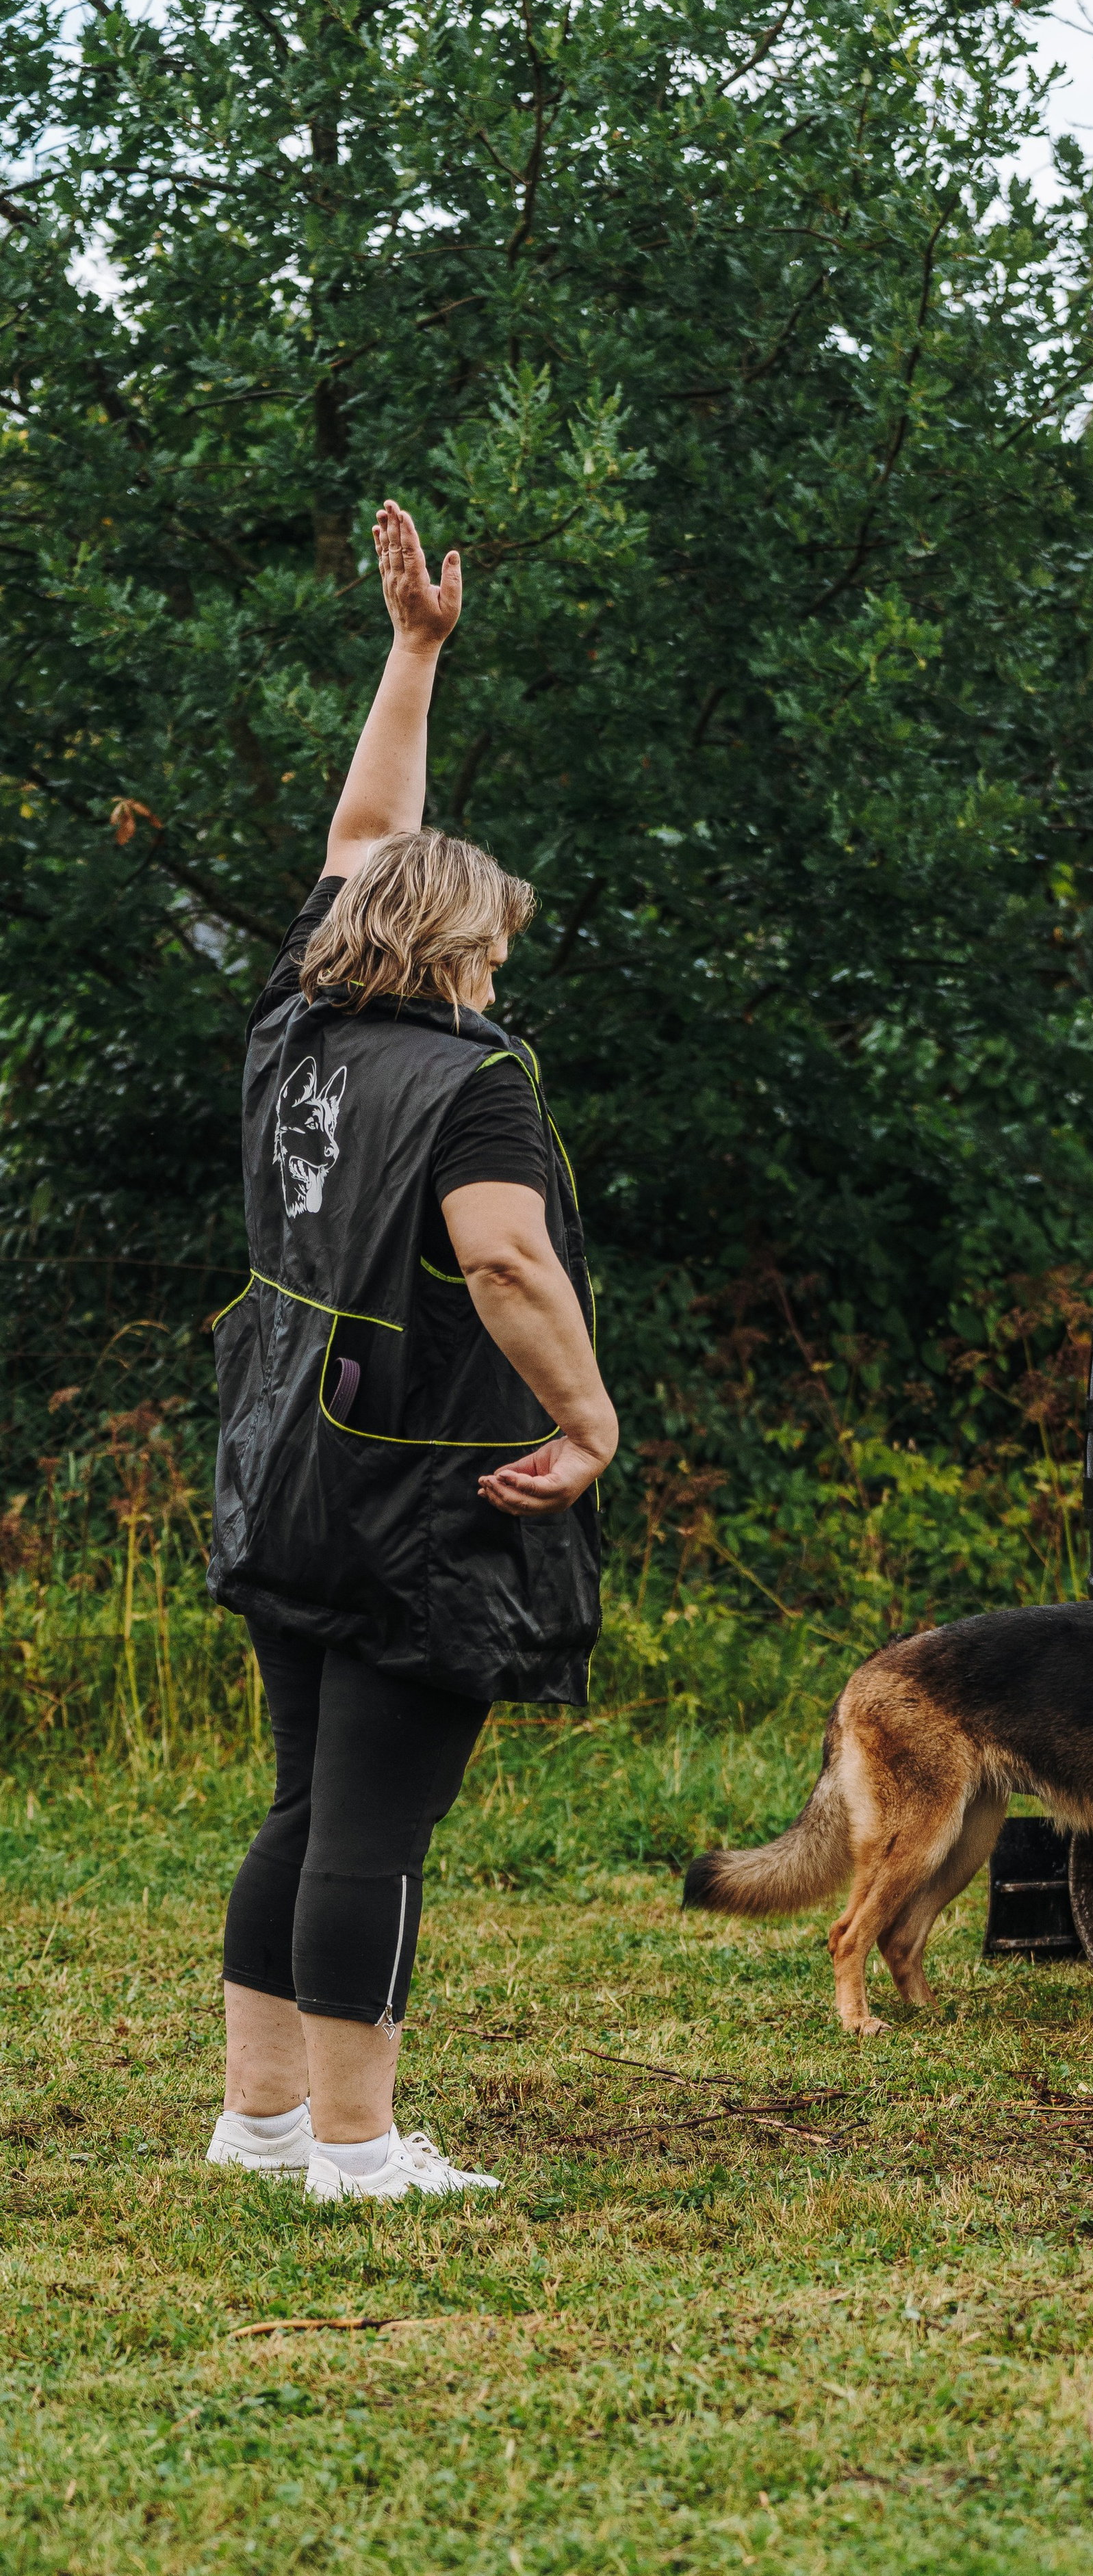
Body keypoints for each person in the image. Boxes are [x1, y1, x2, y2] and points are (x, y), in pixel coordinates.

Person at [203, 501, 617, 2201]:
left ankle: (261, 2121)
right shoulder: (470, 1080)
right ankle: (360, 2150)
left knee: (307, 1798)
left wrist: (415, 652)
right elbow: (505, 1258)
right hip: (425, 1482)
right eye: (494, 940)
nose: (503, 961)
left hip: (283, 1455)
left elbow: (368, 826)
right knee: (374, 1820)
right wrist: (587, 1419)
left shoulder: (295, 1024)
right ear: (457, 947)